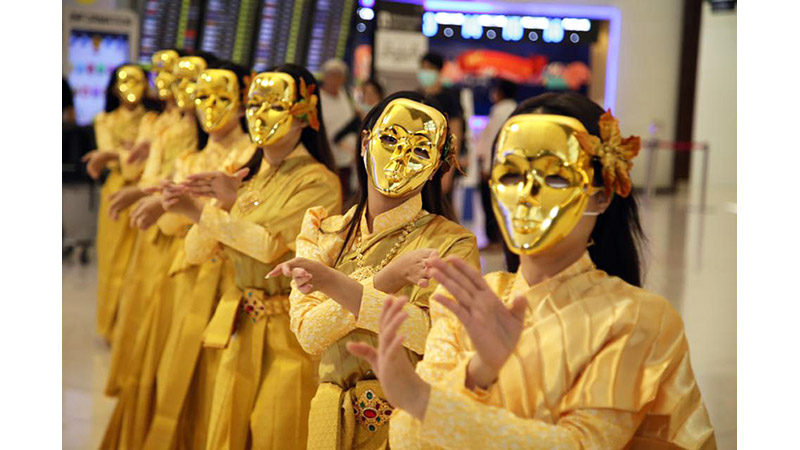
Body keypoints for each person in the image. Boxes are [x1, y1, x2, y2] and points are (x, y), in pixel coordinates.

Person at [348, 92, 717, 449]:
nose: (527, 194)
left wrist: (424, 402)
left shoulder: (638, 318)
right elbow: (409, 441)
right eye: (511, 176)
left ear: (602, 195)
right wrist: (479, 371)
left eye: (556, 178)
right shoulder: (466, 299)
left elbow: (581, 444)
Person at [268, 92, 479, 450]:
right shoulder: (324, 229)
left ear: (436, 168)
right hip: (330, 420)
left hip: (406, 427)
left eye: (420, 151)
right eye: (390, 139)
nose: (400, 158)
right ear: (366, 142)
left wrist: (340, 288)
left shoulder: (453, 243)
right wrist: (386, 280)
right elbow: (309, 335)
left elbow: (438, 338)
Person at [158, 63, 341, 450]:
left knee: (276, 433)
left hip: (285, 336)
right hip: (239, 325)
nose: (259, 114)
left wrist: (205, 211)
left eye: (274, 104)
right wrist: (213, 209)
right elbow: (195, 250)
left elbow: (269, 245)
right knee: (224, 433)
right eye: (254, 103)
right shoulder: (247, 176)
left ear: (305, 112)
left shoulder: (318, 181)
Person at [141, 61, 256, 450]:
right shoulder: (190, 158)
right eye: (203, 96)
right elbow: (170, 226)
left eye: (222, 97)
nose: (209, 106)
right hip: (191, 277)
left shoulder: (252, 155)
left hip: (232, 284)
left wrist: (189, 205)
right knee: (176, 373)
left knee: (217, 381)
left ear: (242, 102)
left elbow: (244, 223)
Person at [100, 54, 206, 449]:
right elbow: (146, 172)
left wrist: (152, 193)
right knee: (142, 322)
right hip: (156, 228)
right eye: (163, 75)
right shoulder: (158, 123)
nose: (170, 84)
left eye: (181, 77)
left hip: (180, 241)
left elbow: (175, 185)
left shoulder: (193, 134)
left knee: (166, 344)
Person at [82, 63, 148, 342]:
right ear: (112, 87)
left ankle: (130, 328)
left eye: (138, 81)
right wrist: (131, 153)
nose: (131, 88)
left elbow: (119, 157)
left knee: (139, 265)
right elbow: (129, 163)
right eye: (125, 81)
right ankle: (110, 326)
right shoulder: (105, 120)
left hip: (146, 192)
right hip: (118, 192)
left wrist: (116, 154)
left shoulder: (152, 121)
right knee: (112, 260)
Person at [476, 78, 517, 247]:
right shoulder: (516, 109)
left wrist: (487, 167)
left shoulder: (499, 110)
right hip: (511, 167)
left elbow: (493, 142)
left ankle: (493, 239)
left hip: (494, 166)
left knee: (490, 203)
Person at [418, 52, 465, 198]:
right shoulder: (417, 96)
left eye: (429, 68)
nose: (425, 72)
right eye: (422, 68)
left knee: (441, 206)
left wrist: (448, 172)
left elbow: (456, 134)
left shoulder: (448, 98)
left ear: (438, 71)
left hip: (441, 162)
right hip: (420, 160)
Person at [319, 58, 357, 198]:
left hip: (347, 160)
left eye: (339, 75)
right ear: (325, 76)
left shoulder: (346, 96)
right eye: (332, 75)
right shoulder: (318, 98)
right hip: (327, 158)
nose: (335, 80)